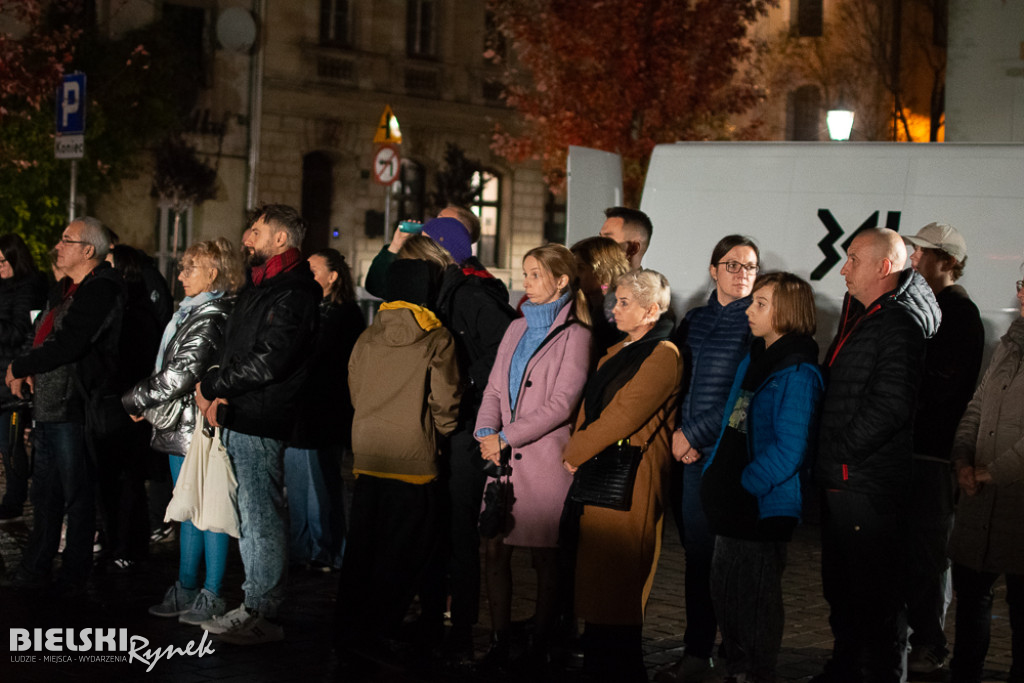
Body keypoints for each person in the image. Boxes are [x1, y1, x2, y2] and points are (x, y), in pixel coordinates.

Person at [813, 227, 940, 683]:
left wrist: (841, 455)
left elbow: (890, 406)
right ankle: (845, 668)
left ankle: (877, 673)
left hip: (864, 482)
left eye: (852, 259)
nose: (842, 268)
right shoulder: (866, 316)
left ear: (884, 267)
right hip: (847, 478)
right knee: (844, 590)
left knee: (875, 598)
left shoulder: (898, 324)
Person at [194, 204, 321, 644]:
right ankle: (253, 603)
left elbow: (268, 360)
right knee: (252, 514)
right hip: (243, 410)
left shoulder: (293, 291)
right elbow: (239, 349)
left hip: (263, 414)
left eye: (256, 231)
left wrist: (214, 384)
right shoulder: (263, 284)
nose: (247, 238)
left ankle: (261, 611)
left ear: (280, 240)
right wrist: (219, 387)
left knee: (262, 516)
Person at [392, 228, 517, 658]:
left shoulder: (468, 296)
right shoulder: (440, 297)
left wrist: (461, 382)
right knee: (434, 526)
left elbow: (508, 344)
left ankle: (460, 631)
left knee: (458, 531)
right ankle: (431, 619)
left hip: (468, 427)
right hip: (444, 423)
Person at [700, 272, 824, 683]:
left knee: (755, 602)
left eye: (761, 304)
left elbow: (791, 449)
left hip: (760, 505)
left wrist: (747, 486)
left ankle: (754, 672)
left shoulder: (798, 370)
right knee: (727, 596)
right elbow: (732, 425)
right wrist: (714, 472)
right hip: (732, 501)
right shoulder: (756, 356)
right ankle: (737, 667)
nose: (749, 310)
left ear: (786, 311)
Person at [474, 244, 593, 668]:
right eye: (525, 274)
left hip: (543, 463)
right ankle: (499, 640)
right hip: (501, 463)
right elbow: (492, 388)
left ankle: (542, 644)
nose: (525, 282)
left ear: (561, 281)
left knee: (545, 557)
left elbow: (561, 404)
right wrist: (486, 432)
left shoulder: (577, 335)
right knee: (494, 550)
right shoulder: (516, 327)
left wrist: (506, 436)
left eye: (535, 274)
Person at [562, 269, 682, 682]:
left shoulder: (663, 353)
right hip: (600, 470)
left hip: (630, 476)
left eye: (626, 302)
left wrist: (575, 451)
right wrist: (578, 449)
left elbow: (624, 414)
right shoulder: (617, 352)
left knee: (619, 583)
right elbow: (589, 410)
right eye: (616, 300)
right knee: (599, 584)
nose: (615, 309)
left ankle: (620, 670)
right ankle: (600, 664)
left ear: (652, 310)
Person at [337, 258, 461, 658]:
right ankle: (382, 623)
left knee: (363, 544)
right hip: (414, 457)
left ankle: (350, 622)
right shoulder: (437, 338)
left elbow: (355, 392)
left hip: (370, 453)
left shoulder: (369, 335)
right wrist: (440, 430)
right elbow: (446, 399)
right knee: (403, 547)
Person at [122, 238, 243, 623]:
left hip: (198, 429)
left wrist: (135, 400)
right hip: (183, 427)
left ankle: (211, 592)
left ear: (213, 273)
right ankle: (188, 585)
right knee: (187, 511)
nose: (181, 274)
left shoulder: (210, 316)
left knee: (209, 513)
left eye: (190, 267)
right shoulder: (192, 311)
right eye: (182, 265)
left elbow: (180, 373)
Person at [2, 217, 124, 595]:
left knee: (77, 493)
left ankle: (74, 571)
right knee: (46, 495)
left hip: (75, 405)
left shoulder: (101, 289)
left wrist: (21, 366)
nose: (58, 247)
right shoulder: (64, 289)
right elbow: (44, 337)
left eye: (66, 240)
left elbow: (70, 343)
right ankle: (36, 566)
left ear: (88, 250)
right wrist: (29, 370)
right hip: (50, 403)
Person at [661, 234, 760, 683]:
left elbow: (745, 396)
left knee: (728, 561)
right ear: (713, 269)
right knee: (697, 558)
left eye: (750, 267)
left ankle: (733, 653)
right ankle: (698, 651)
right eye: (733, 265)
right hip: (686, 456)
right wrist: (676, 436)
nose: (742, 274)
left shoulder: (756, 323)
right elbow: (675, 382)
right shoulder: (694, 320)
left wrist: (693, 434)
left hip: (723, 456)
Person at [902, 222, 985, 674]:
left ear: (948, 262)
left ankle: (930, 644)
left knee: (928, 555)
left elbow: (943, 388)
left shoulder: (959, 315)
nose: (914, 258)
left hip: (932, 454)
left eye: (924, 252)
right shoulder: (924, 304)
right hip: (908, 449)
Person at [946, 274, 1024, 683]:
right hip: (980, 503)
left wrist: (992, 471)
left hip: (1016, 503)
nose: (1023, 294)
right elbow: (977, 405)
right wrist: (962, 457)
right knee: (972, 599)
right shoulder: (1011, 343)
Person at [284, 248, 365, 570]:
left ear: (333, 276)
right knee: (298, 485)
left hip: (325, 412)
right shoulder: (305, 307)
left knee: (322, 486)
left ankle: (327, 549)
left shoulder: (346, 314)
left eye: (314, 270)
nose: (308, 276)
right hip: (297, 411)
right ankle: (302, 548)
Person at [0, 234, 47, 520]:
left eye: (4, 261)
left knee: (11, 441)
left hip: (13, 376)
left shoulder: (29, 287)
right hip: (3, 372)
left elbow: (20, 332)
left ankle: (15, 499)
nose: (0, 267)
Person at [571, 236, 631, 353]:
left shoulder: (618, 311)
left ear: (603, 269)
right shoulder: (588, 304)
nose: (574, 275)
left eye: (580, 267)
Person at [598, 207, 653, 272]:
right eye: (600, 237)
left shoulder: (653, 281)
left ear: (633, 248)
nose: (597, 244)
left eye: (607, 240)